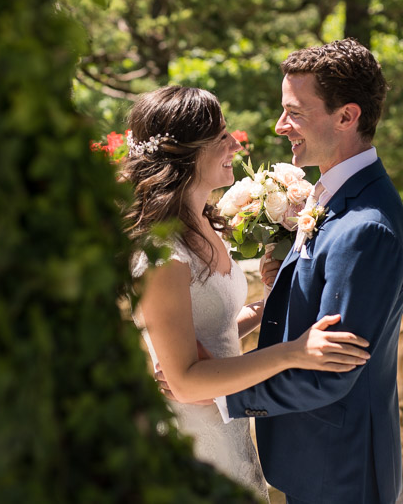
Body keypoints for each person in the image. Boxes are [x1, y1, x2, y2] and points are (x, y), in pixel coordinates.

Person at [125, 85, 372, 500]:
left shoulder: (204, 223)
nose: (236, 145)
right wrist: (294, 352)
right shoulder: (163, 255)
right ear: (187, 152)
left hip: (226, 427)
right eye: (221, 136)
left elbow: (214, 335)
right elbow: (184, 382)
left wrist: (267, 302)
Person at [223, 38, 403, 504]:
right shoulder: (333, 195)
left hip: (341, 469)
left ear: (347, 116)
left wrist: (218, 395)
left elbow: (328, 373)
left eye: (295, 112)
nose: (279, 125)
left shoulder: (366, 227)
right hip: (315, 457)